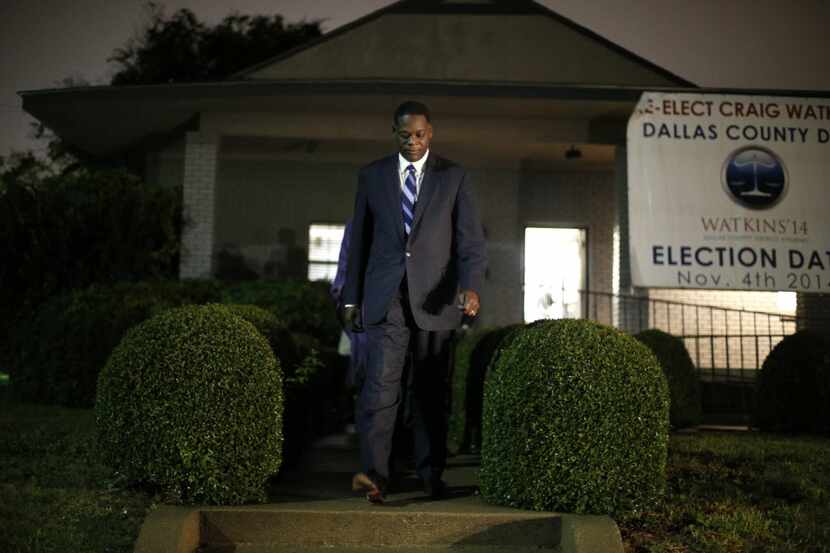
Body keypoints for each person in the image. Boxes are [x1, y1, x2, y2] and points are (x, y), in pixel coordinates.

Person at [341, 100, 487, 503]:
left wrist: (471, 286)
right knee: (381, 389)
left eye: (420, 134)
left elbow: (470, 242)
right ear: (395, 133)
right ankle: (376, 477)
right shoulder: (371, 176)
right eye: (405, 135)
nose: (413, 142)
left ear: (431, 133)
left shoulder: (453, 177)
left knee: (429, 393)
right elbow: (360, 244)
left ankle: (430, 477)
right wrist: (352, 298)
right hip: (385, 298)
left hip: (436, 300)